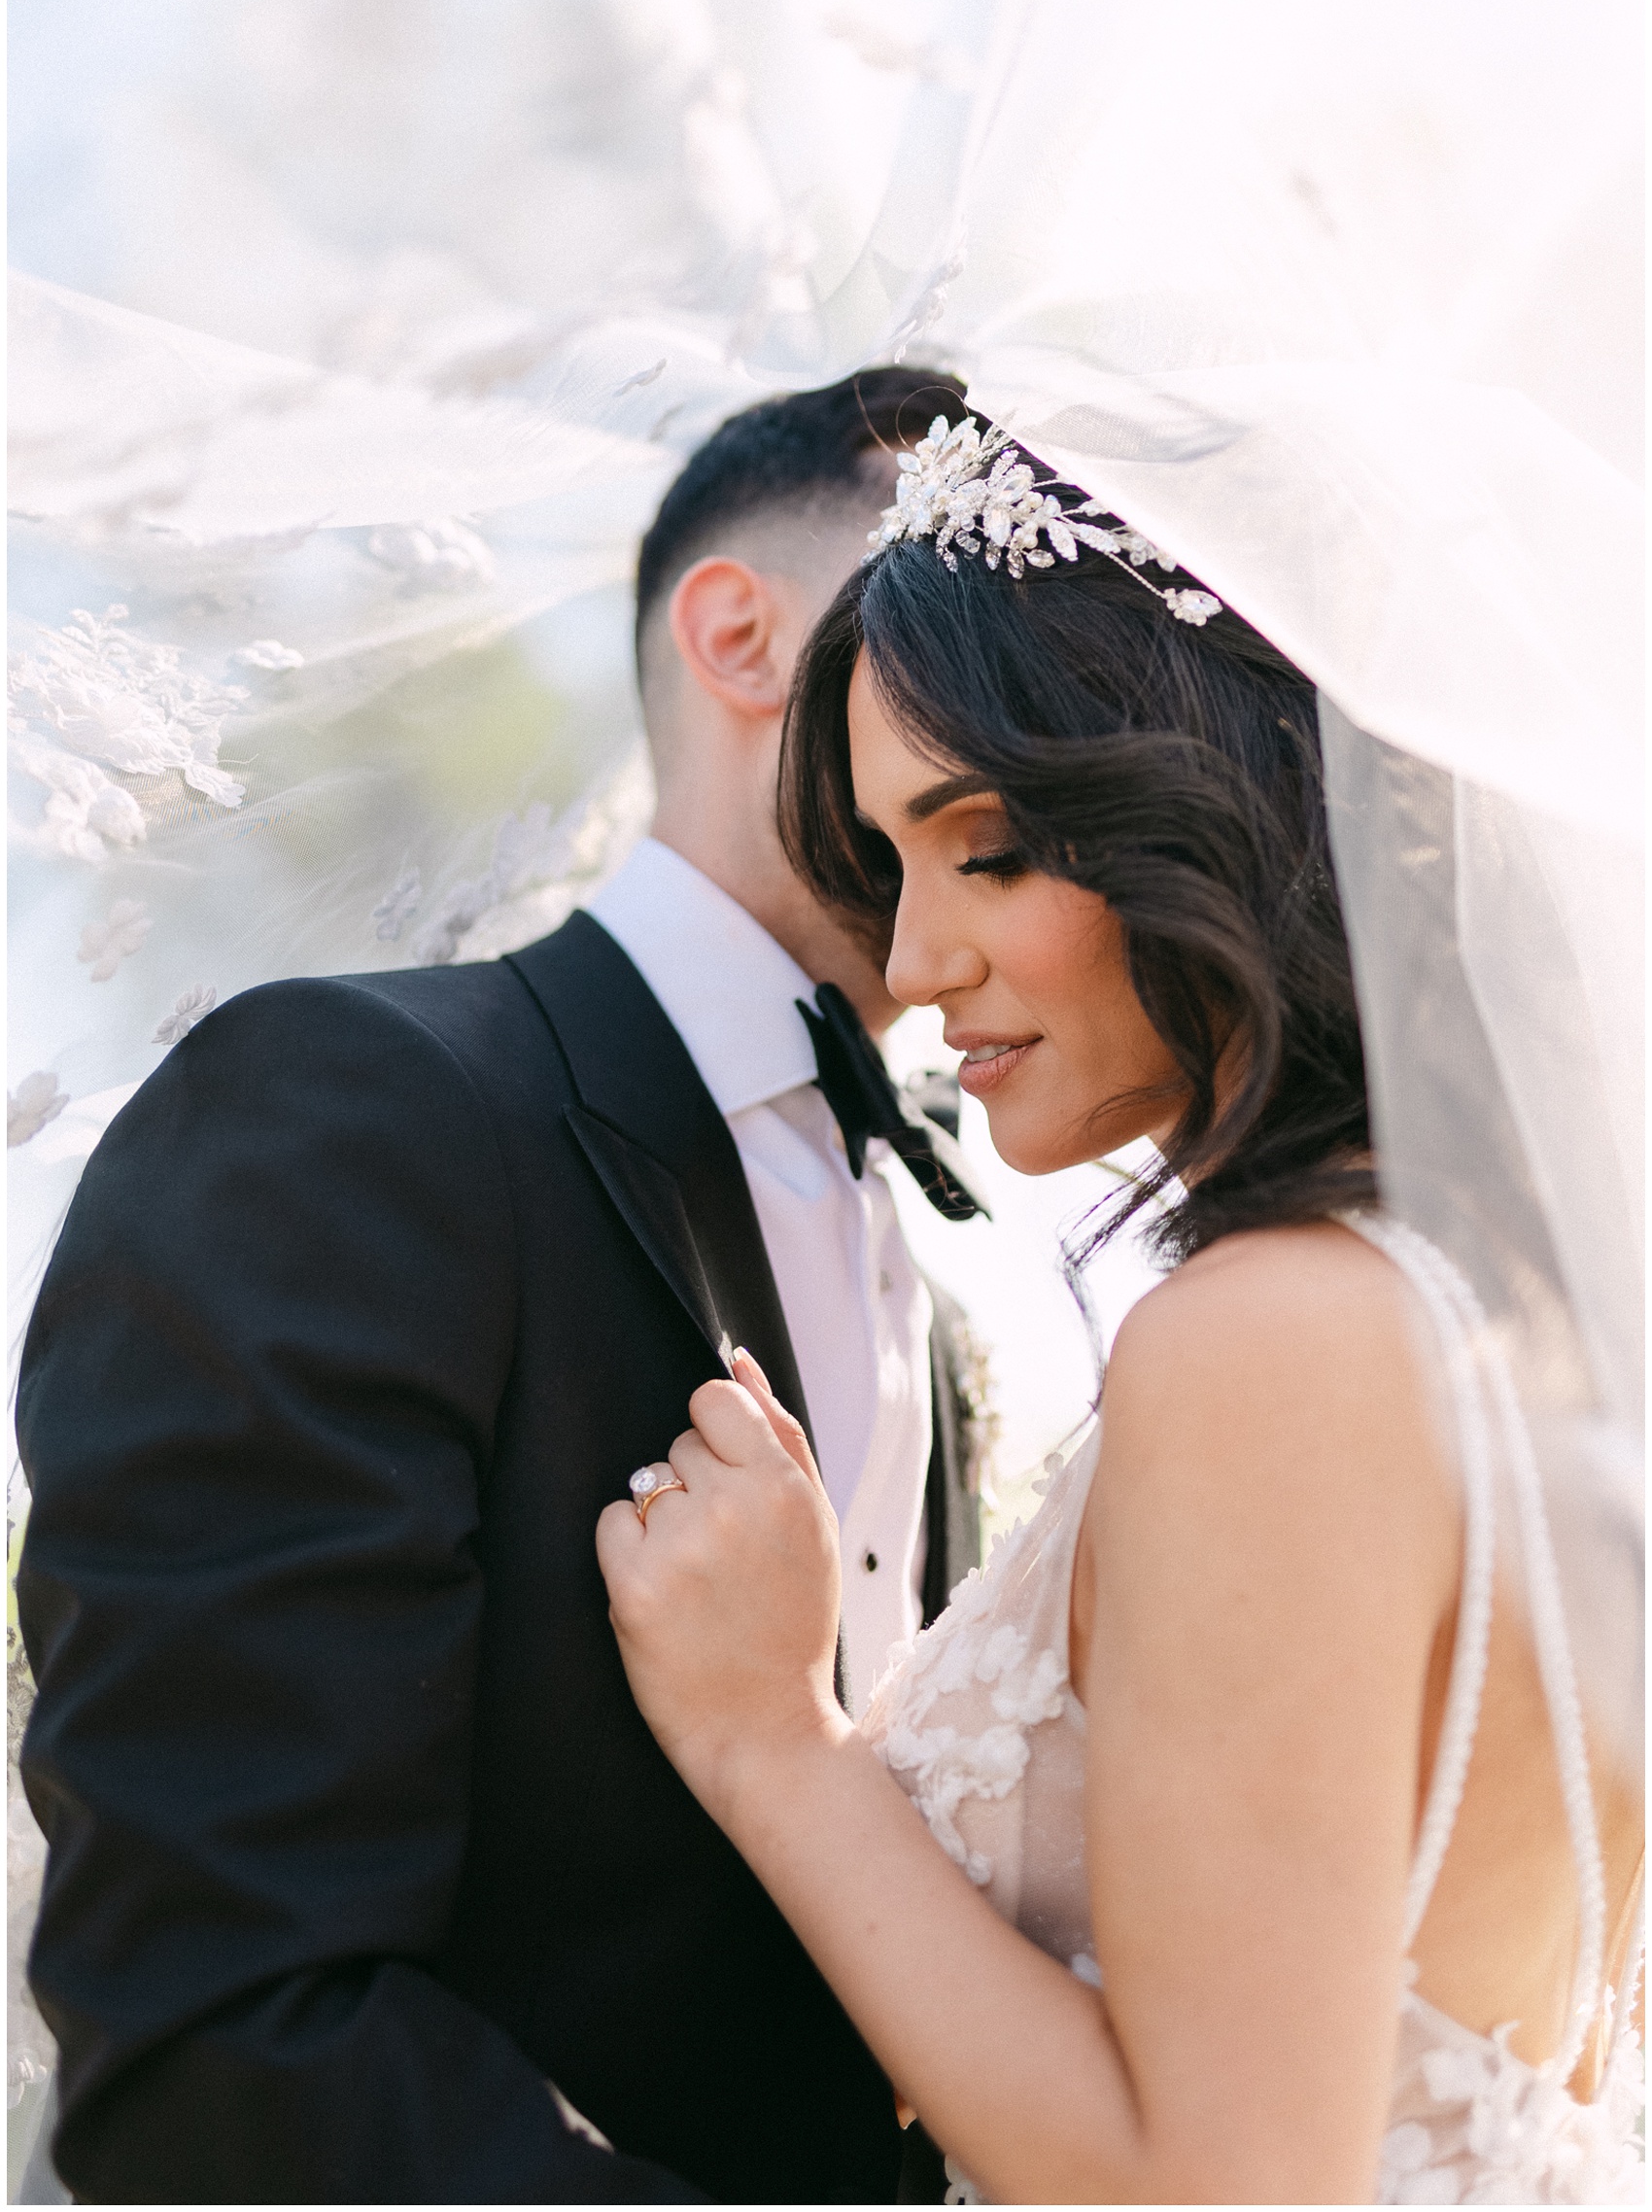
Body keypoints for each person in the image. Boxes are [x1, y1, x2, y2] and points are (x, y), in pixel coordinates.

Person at [597, 417, 1647, 2204]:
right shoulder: (1520, 1326)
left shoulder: (1279, 1345)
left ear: (1216, 801)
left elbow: (1215, 2184)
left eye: (984, 846)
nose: (914, 962)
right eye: (888, 862)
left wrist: (773, 1741)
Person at [14, 368, 988, 2205]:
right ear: (742, 634)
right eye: (958, 613)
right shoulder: (348, 1113)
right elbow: (223, 2046)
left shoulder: (914, 1250)